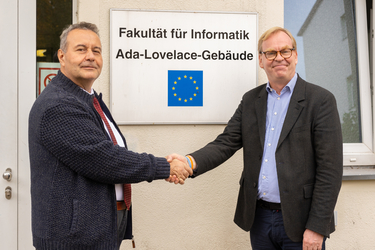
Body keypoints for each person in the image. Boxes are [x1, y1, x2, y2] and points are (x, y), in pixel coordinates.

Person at [168, 27, 343, 250]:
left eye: (285, 51)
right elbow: (225, 142)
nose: (279, 57)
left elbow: (330, 170)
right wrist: (188, 163)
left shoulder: (321, 101)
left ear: (296, 56)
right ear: (261, 60)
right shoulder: (251, 100)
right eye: (270, 53)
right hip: (259, 219)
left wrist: (317, 227)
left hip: (301, 222)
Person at [28, 22, 192, 250]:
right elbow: (105, 160)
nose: (90, 56)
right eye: (81, 49)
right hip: (71, 239)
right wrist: (166, 166)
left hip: (93, 229)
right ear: (62, 56)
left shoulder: (88, 99)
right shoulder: (58, 105)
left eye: (96, 51)